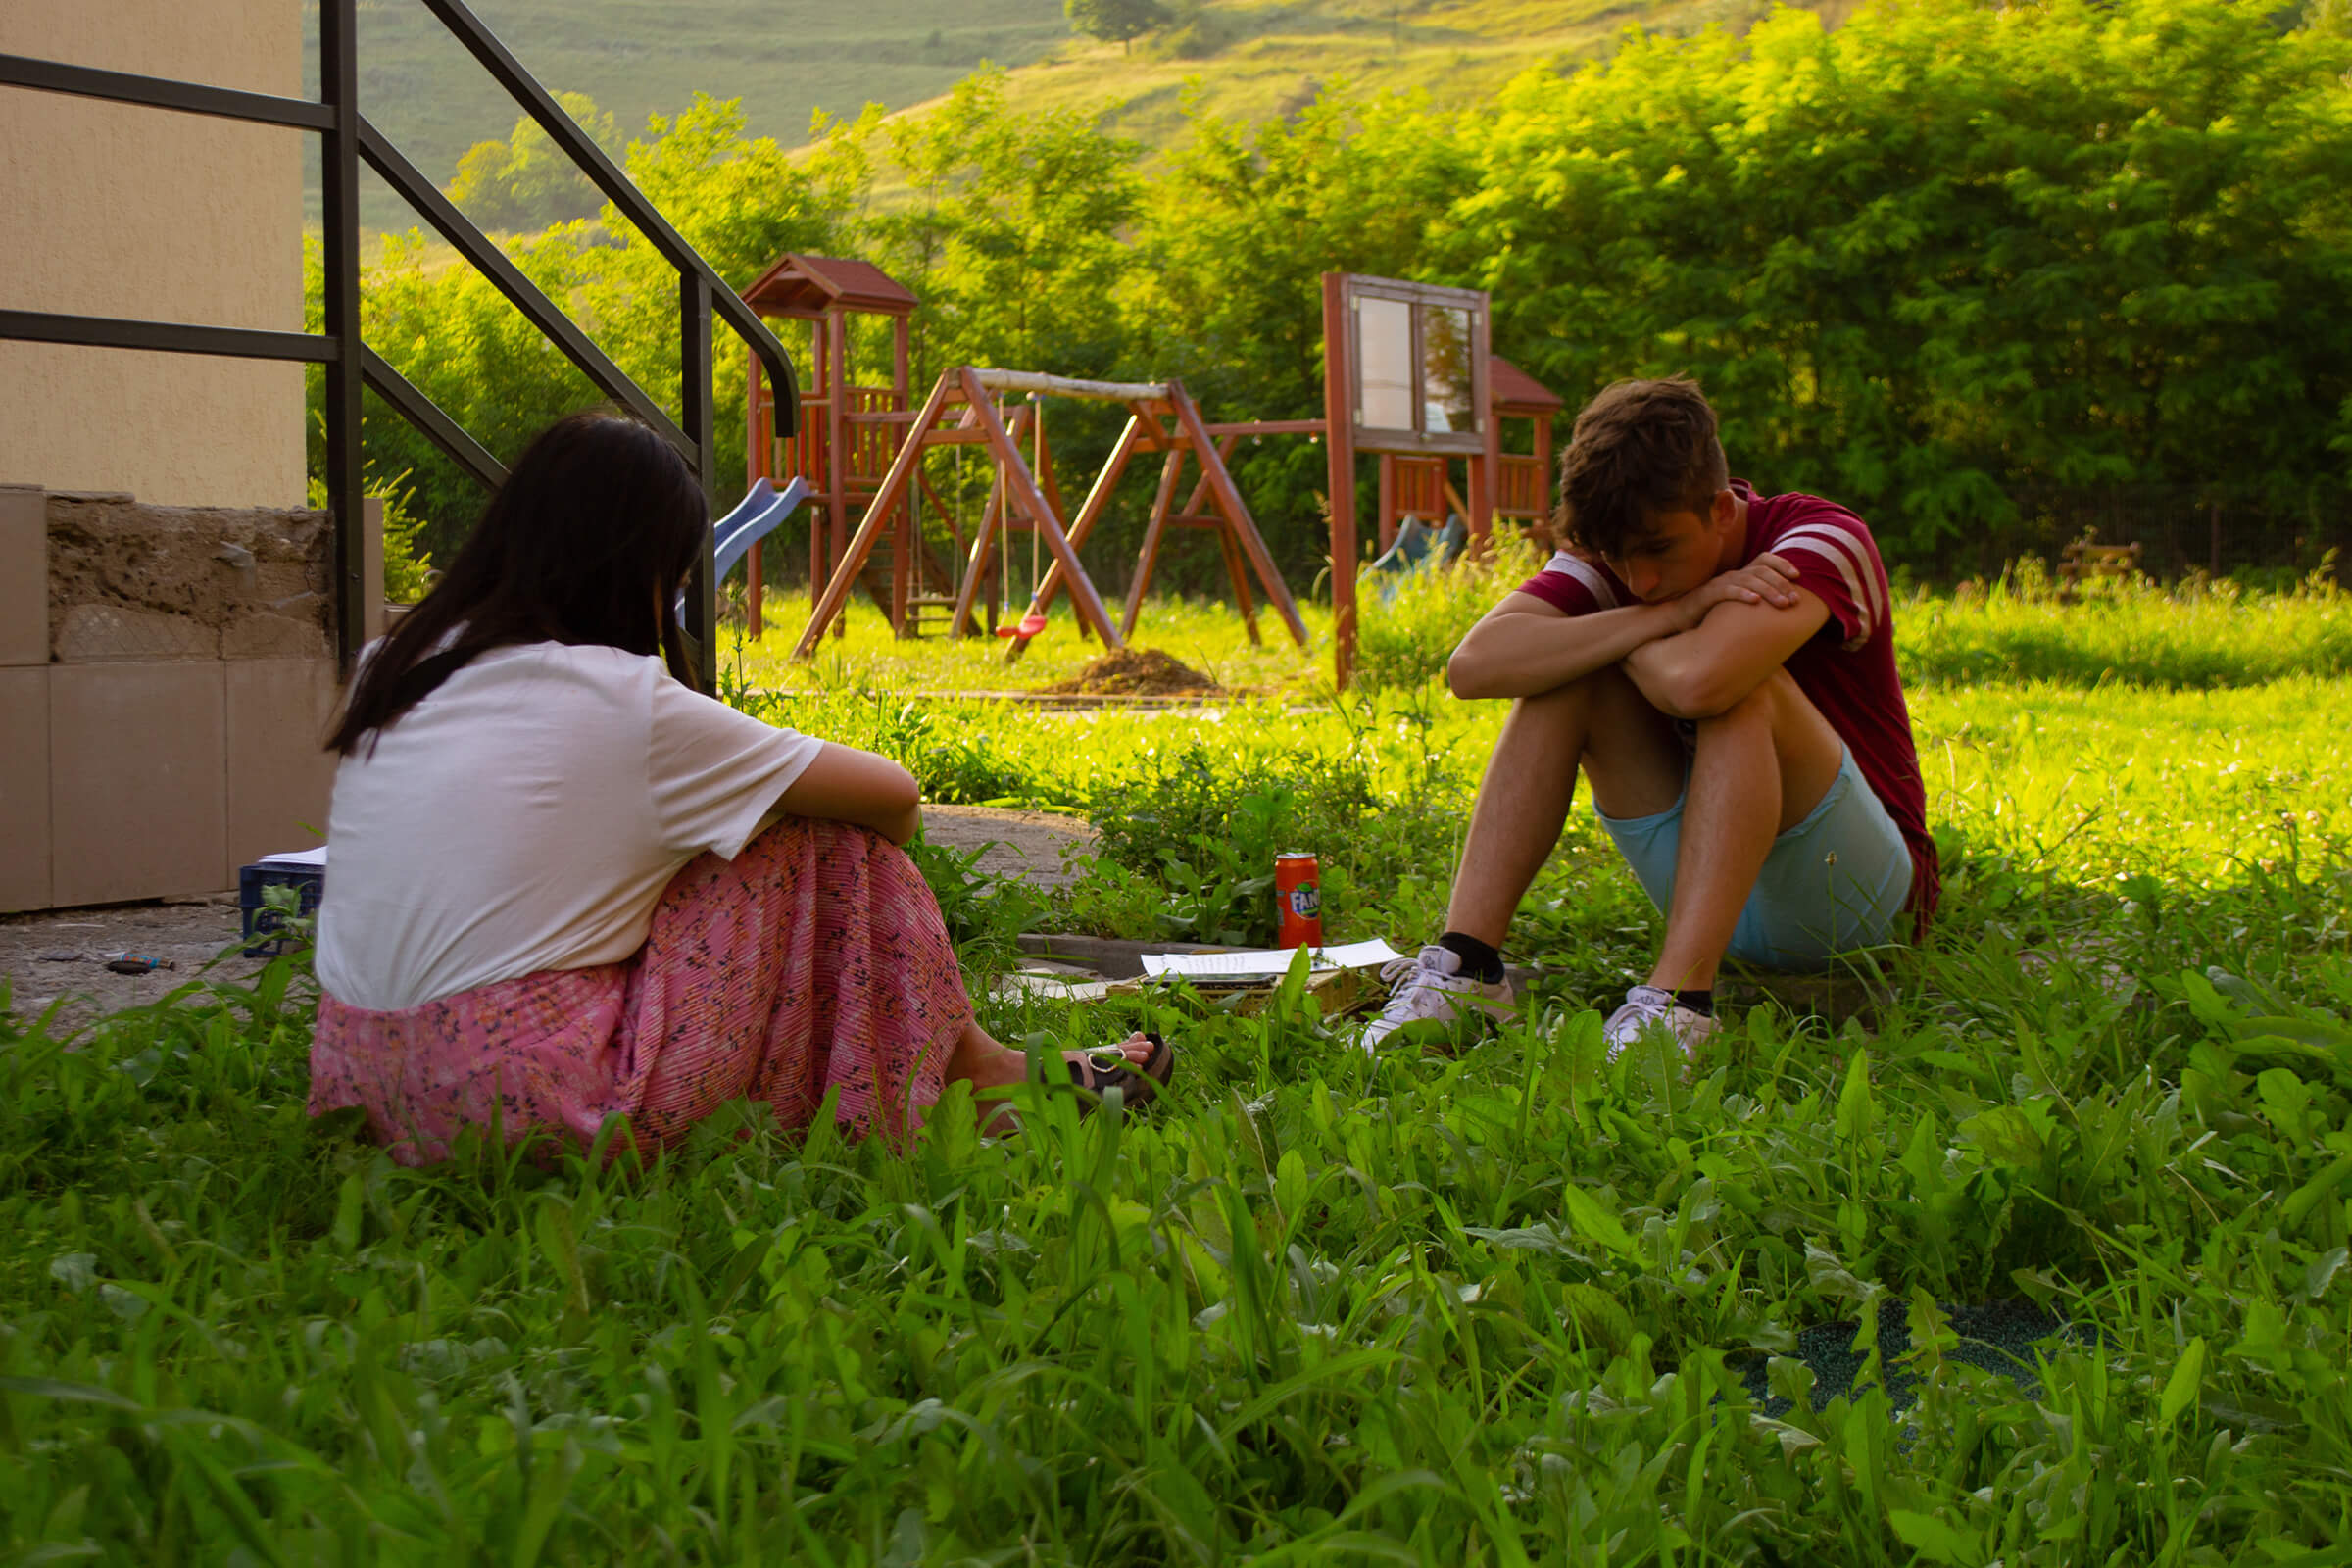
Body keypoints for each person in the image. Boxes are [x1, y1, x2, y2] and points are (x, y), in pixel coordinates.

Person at [307, 412, 1172, 1165]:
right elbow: (895, 800)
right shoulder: (625, 701)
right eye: (679, 576)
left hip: (361, 1081)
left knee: (719, 829)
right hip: (535, 1099)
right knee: (826, 839)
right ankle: (980, 1079)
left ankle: (968, 1070)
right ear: (636, 571)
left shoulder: (392, 666)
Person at [1363, 377, 1937, 1056]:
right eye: (1617, 559)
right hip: (1709, 882)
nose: (1640, 580)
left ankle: (1678, 1006)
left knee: (1739, 687)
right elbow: (1475, 666)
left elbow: (1698, 683)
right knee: (1560, 681)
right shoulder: (1617, 548)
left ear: (1720, 509)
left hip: (1852, 895)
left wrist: (1606, 630)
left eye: (1659, 550)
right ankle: (1467, 970)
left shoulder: (1818, 538)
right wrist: (1672, 613)